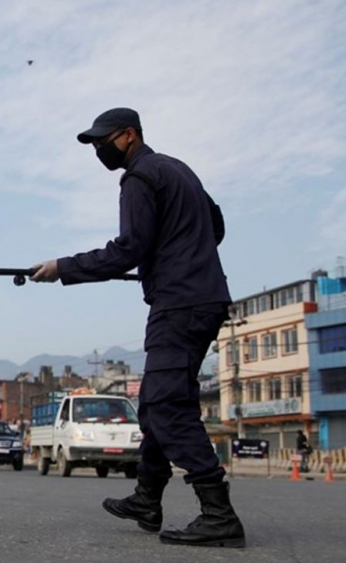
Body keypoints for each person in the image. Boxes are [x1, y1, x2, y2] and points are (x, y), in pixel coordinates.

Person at [31, 108, 245, 548]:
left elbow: (127, 249)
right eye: (92, 144)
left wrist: (62, 268)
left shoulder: (139, 177)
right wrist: (178, 251)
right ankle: (147, 498)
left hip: (179, 304)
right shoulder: (178, 169)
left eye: (102, 141)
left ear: (129, 135)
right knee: (153, 402)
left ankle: (218, 514)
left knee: (168, 406)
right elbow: (215, 227)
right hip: (201, 297)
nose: (97, 149)